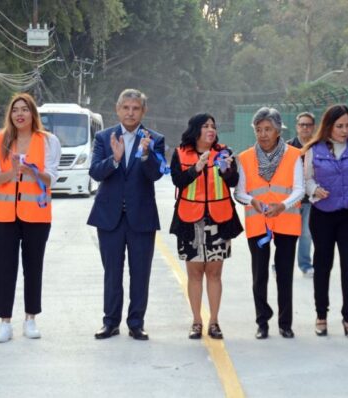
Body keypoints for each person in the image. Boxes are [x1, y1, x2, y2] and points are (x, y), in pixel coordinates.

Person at [88, 89, 165, 341]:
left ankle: (136, 323)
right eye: (126, 108)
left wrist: (145, 155)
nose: (130, 113)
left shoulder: (154, 139)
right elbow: (96, 172)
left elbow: (156, 174)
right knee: (112, 273)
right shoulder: (103, 137)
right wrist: (115, 159)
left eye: (136, 108)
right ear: (117, 109)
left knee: (140, 272)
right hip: (109, 218)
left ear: (144, 111)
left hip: (141, 218)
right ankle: (110, 322)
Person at [0, 93, 60, 343]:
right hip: (5, 215)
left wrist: (32, 172)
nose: (19, 114)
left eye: (25, 110)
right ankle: (4, 322)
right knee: (4, 268)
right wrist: (12, 172)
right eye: (15, 110)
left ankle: (31, 318)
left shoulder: (48, 141)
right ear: (10, 115)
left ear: (32, 114)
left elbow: (52, 177)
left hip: (37, 215)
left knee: (33, 266)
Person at [303, 104, 348, 340]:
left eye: (347, 125)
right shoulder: (314, 149)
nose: (344, 130)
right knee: (322, 265)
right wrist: (315, 190)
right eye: (339, 126)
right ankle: (321, 315)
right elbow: (306, 180)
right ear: (328, 126)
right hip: (322, 214)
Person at [169, 113, 243, 340]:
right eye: (205, 126)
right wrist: (196, 168)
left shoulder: (224, 152)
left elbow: (233, 182)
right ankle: (196, 321)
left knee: (214, 273)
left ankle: (214, 321)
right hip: (190, 220)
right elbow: (178, 181)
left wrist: (226, 169)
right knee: (194, 273)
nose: (211, 129)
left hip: (218, 220)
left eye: (213, 125)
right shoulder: (181, 153)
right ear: (195, 130)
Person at [235, 107, 304, 340]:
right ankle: (262, 322)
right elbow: (240, 192)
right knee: (259, 275)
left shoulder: (294, 155)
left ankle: (285, 323)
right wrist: (252, 201)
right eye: (258, 129)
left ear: (277, 131)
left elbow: (299, 189)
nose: (263, 134)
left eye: (268, 129)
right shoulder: (244, 157)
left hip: (286, 220)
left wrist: (283, 206)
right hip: (258, 222)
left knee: (285, 275)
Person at [288, 112, 315, 278]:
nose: (305, 127)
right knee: (287, 234)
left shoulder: (319, 147)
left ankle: (305, 265)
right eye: (302, 124)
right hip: (291, 200)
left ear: (313, 127)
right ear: (297, 127)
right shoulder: (287, 147)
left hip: (311, 200)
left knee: (306, 233)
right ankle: (279, 264)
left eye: (308, 124)